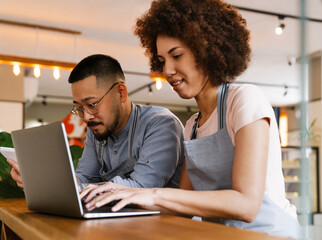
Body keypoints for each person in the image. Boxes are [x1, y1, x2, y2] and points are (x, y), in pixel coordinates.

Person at [79, 1, 301, 238]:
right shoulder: (192, 126)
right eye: (162, 60)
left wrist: (153, 193)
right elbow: (181, 208)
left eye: (177, 55)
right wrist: (121, 197)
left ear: (206, 49)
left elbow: (246, 205)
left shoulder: (244, 100)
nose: (168, 71)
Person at [7, 54, 184, 190]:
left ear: (121, 93)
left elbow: (141, 188)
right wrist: (41, 181)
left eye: (91, 104)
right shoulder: (97, 129)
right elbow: (83, 178)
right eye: (79, 107)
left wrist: (70, 187)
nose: (86, 117)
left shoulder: (160, 124)